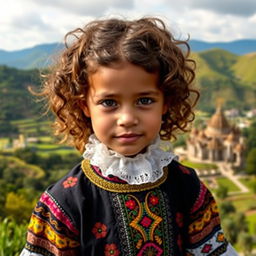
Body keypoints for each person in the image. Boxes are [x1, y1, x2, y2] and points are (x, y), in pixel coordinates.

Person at [20, 17, 238, 256]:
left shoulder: (187, 187)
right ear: (84, 107)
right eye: (109, 102)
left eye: (144, 101)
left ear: (165, 103)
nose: (127, 118)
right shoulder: (66, 201)